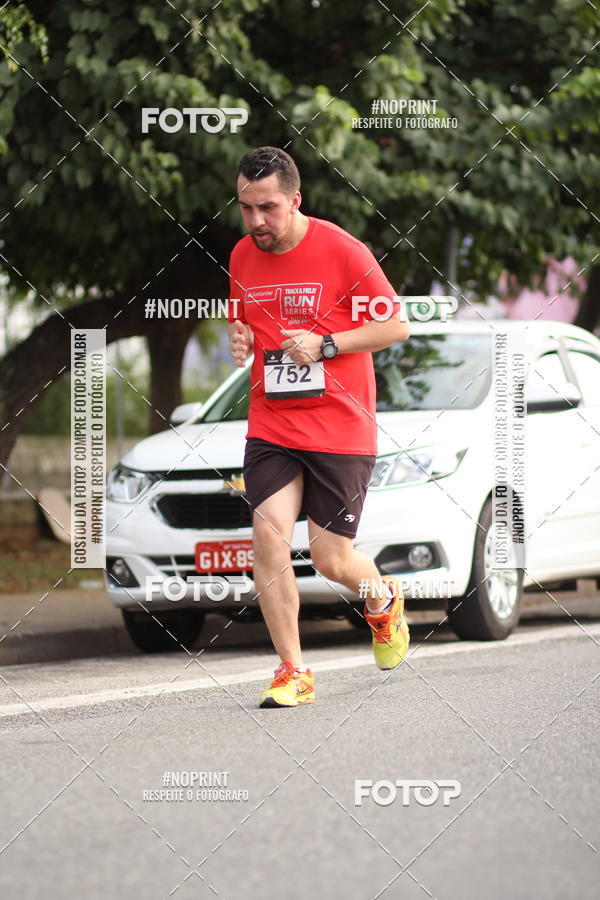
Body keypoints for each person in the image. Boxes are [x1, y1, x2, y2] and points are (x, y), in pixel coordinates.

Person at [227, 146, 411, 708]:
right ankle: (293, 670)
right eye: (246, 208)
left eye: (269, 208)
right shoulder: (240, 255)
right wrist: (239, 341)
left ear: (295, 200)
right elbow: (245, 325)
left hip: (340, 427)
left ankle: (382, 599)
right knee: (268, 536)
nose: (257, 221)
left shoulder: (342, 251)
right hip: (273, 424)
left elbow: (396, 326)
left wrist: (327, 343)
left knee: (331, 560)